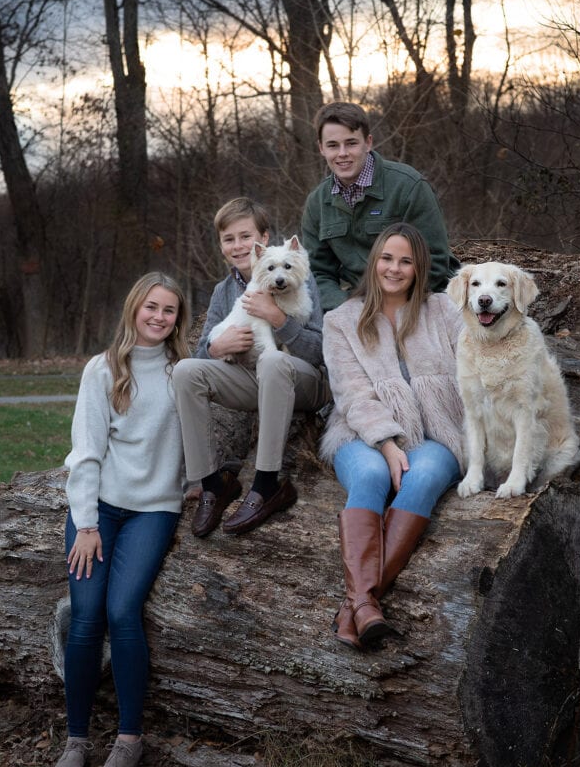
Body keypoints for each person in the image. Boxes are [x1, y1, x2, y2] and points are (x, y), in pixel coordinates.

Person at [52, 272, 189, 767]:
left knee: (122, 611)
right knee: (85, 617)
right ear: (134, 308)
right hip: (101, 509)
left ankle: (129, 740)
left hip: (154, 511)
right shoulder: (104, 369)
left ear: (178, 319)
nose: (158, 317)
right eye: (150, 307)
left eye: (169, 310)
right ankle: (76, 739)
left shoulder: (182, 371)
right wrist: (86, 523)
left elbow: (197, 438)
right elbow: (87, 452)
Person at [320, 222, 464, 651]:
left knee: (422, 477)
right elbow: (351, 394)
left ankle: (358, 607)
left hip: (438, 432)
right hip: (359, 433)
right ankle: (363, 605)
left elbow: (475, 370)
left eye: (405, 261)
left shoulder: (443, 311)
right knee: (370, 478)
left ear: (419, 268)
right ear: (374, 262)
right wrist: (386, 444)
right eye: (387, 258)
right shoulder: (342, 320)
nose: (394, 269)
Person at [173, 197, 329, 537]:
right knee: (185, 371)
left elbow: (319, 352)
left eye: (245, 236)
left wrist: (277, 319)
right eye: (229, 239)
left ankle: (266, 483)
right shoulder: (223, 292)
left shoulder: (297, 275)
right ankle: (212, 484)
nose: (238, 245)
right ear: (221, 246)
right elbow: (202, 357)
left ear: (263, 239)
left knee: (273, 359)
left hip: (302, 381)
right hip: (252, 380)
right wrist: (216, 348)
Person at [302, 101, 459, 313]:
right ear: (321, 148)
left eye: (351, 143)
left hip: (418, 300)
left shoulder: (409, 186)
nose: (342, 153)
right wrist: (346, 308)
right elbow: (318, 273)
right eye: (332, 145)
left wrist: (387, 306)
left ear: (368, 143)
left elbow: (436, 262)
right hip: (355, 306)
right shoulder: (317, 203)